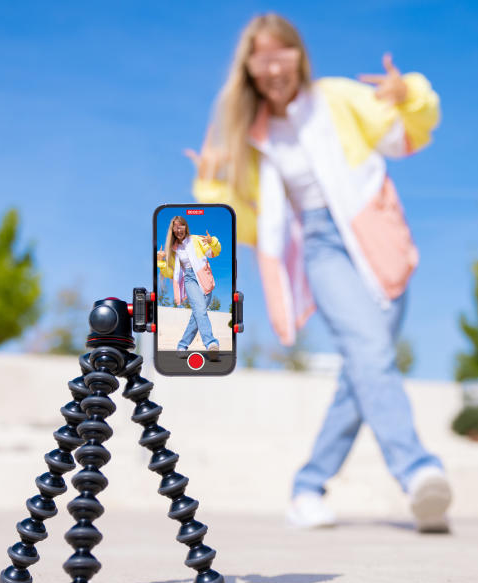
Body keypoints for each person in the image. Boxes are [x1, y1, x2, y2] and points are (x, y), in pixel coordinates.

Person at [185, 13, 452, 532]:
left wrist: (409, 94)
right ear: (249, 69)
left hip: (379, 238)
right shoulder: (251, 136)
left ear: (299, 57)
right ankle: (419, 472)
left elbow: (403, 136)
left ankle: (307, 487)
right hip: (321, 247)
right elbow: (249, 224)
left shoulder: (337, 98)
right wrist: (214, 188)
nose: (274, 67)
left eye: (282, 54)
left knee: (363, 372)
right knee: (371, 354)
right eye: (261, 58)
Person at [158, 215, 223, 355]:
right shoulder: (174, 249)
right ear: (173, 230)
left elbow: (214, 253)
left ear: (185, 227)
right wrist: (161, 261)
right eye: (175, 227)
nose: (178, 229)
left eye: (180, 225)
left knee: (198, 314)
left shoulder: (196, 240)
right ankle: (211, 343)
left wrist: (212, 241)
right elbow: (171, 273)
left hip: (204, 277)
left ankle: (182, 345)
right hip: (189, 279)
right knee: (200, 310)